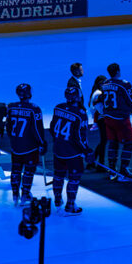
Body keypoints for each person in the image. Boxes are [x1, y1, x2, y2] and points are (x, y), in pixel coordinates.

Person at [50, 85, 89, 214]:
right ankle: (70, 205)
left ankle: (57, 201)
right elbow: (79, 137)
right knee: (74, 178)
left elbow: (52, 127)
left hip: (58, 149)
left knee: (58, 175)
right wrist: (87, 150)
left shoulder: (58, 107)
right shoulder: (80, 114)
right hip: (72, 152)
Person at [7, 83, 46, 205]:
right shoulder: (34, 109)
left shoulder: (11, 107)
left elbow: (8, 127)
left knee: (16, 170)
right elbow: (37, 129)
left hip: (15, 145)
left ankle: (14, 195)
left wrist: (13, 140)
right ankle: (25, 195)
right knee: (28, 171)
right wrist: (42, 143)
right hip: (30, 147)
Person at [101, 63, 132, 181]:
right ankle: (124, 169)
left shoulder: (104, 84)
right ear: (118, 71)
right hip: (120, 119)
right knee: (129, 143)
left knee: (113, 142)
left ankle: (112, 169)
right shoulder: (123, 85)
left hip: (108, 117)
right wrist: (129, 109)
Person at [87, 74, 107, 171]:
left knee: (103, 141)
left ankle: (94, 162)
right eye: (103, 83)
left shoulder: (96, 92)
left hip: (99, 119)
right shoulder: (98, 93)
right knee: (104, 141)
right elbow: (98, 108)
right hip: (101, 119)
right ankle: (99, 164)